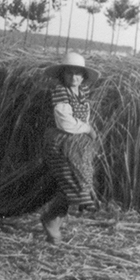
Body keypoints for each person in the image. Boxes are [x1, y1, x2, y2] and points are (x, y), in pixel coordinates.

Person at [39, 52, 100, 243]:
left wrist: (86, 133)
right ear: (62, 75)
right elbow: (65, 123)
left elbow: (83, 118)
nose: (74, 78)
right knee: (74, 184)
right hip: (60, 143)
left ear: (83, 77)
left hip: (76, 143)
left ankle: (53, 222)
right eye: (70, 73)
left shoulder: (82, 93)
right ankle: (50, 220)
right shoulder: (60, 91)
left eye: (78, 74)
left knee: (79, 183)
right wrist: (87, 129)